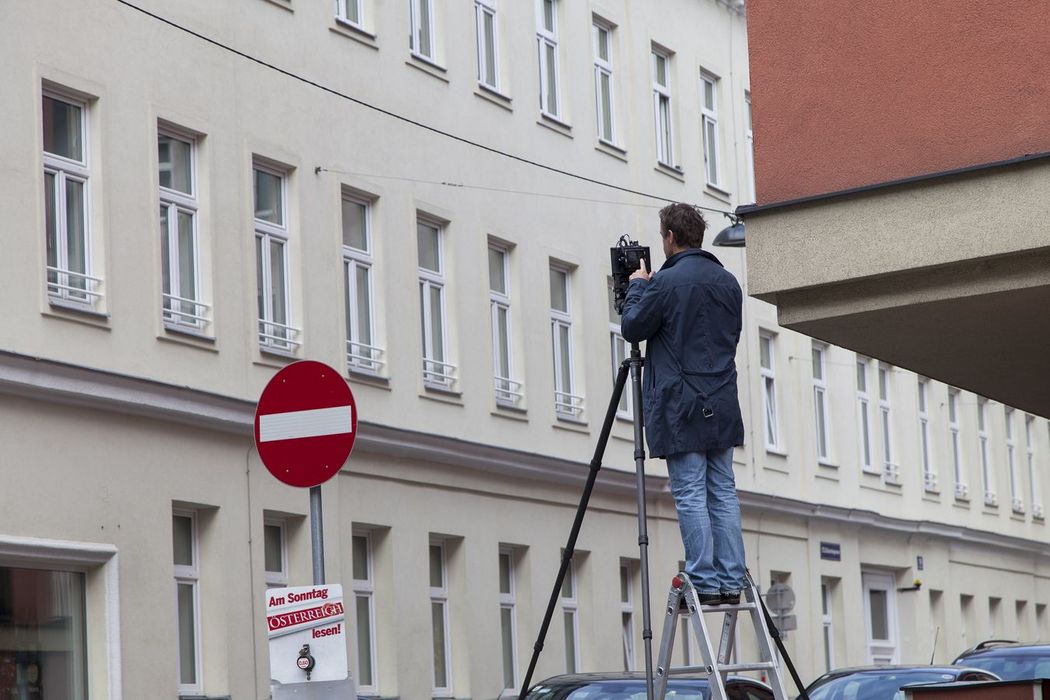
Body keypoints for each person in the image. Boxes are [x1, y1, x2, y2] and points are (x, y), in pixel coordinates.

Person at [619, 202, 746, 605]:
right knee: (722, 490)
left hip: (681, 403)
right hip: (722, 398)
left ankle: (703, 580)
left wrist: (638, 283)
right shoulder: (728, 282)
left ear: (670, 238)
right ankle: (731, 578)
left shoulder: (665, 284)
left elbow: (633, 326)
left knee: (691, 492)